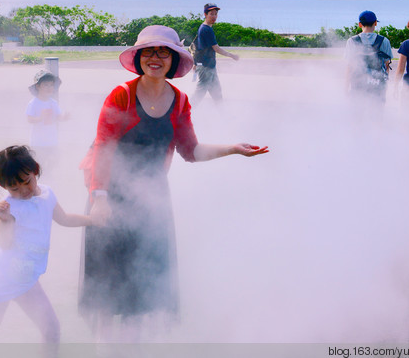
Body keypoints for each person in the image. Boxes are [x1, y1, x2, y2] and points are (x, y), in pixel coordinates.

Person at [78, 25, 268, 342]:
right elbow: (103, 147)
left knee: (141, 293)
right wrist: (99, 197)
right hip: (109, 199)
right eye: (149, 51)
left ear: (173, 59)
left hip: (151, 202)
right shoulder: (122, 95)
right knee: (109, 294)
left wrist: (233, 149)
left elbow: (191, 151)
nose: (156, 58)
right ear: (139, 57)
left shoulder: (179, 101)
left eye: (163, 51)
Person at [0, 145, 102, 343]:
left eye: (26, 182)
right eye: (14, 188)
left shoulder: (47, 195)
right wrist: (4, 220)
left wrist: (91, 220)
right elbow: (4, 244)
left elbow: (64, 218)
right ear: (3, 186)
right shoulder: (10, 208)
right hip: (1, 278)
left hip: (26, 280)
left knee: (51, 330)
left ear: (36, 170)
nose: (23, 191)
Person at [191, 3, 240, 105]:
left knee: (216, 93)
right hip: (205, 67)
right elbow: (216, 48)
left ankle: (222, 116)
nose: (214, 17)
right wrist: (232, 55)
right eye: (211, 14)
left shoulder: (204, 27)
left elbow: (198, 45)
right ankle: (184, 114)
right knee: (199, 94)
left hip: (209, 66)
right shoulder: (206, 29)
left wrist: (195, 63)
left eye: (215, 14)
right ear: (205, 14)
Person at [344, 10, 393, 103]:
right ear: (375, 23)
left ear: (359, 24)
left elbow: (349, 66)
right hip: (377, 86)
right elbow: (387, 66)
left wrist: (346, 87)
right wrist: (385, 86)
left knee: (358, 114)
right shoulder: (384, 41)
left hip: (358, 85)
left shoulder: (352, 41)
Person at [26, 70, 67, 167]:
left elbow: (58, 116)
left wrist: (64, 117)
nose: (49, 87)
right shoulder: (34, 103)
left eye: (51, 85)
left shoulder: (53, 103)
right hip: (38, 142)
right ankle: (43, 178)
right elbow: (29, 119)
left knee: (54, 160)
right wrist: (40, 118)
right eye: (46, 85)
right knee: (39, 164)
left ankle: (50, 177)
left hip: (52, 140)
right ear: (38, 86)